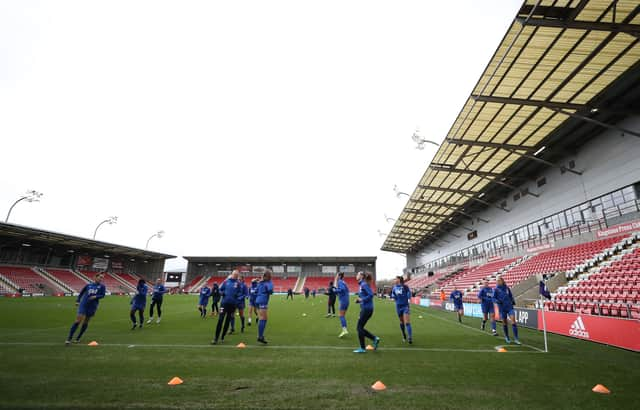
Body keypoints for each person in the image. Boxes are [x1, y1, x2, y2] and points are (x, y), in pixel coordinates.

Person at [65, 273, 106, 345]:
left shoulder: (102, 286)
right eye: (100, 277)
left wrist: (96, 297)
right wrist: (78, 300)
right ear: (95, 277)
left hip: (93, 306)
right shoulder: (88, 285)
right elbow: (81, 293)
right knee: (78, 320)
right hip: (84, 304)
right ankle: (69, 338)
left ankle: (78, 338)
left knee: (86, 321)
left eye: (102, 278)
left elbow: (102, 295)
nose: (101, 279)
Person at [212, 271, 242, 344]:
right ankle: (216, 338)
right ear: (232, 274)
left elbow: (240, 292)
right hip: (224, 304)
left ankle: (222, 336)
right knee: (220, 320)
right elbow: (220, 289)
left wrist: (237, 295)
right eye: (234, 274)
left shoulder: (238, 283)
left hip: (232, 305)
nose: (235, 276)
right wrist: (222, 293)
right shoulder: (226, 282)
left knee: (228, 320)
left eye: (237, 275)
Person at [353, 271, 380, 353]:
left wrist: (361, 299)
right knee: (360, 328)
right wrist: (359, 301)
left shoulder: (363, 284)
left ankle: (363, 348)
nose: (356, 275)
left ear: (361, 276)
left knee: (359, 328)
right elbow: (365, 296)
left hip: (367, 309)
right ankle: (374, 339)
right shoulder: (362, 284)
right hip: (365, 309)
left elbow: (371, 294)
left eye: (357, 274)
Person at [494, 276, 521, 345]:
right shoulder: (496, 289)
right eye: (497, 281)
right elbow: (493, 298)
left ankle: (516, 338)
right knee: (504, 323)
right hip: (502, 309)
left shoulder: (507, 288)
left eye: (499, 280)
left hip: (509, 307)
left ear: (502, 281)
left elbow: (511, 296)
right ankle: (507, 337)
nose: (497, 282)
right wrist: (497, 301)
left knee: (513, 322)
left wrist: (513, 301)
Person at [391, 276, 413, 344]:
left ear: (399, 279)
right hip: (398, 307)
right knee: (401, 322)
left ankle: (410, 337)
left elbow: (409, 292)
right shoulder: (394, 287)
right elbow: (393, 294)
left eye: (395, 279)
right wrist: (393, 297)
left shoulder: (404, 286)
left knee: (407, 322)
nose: (394, 280)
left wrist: (409, 299)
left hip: (405, 306)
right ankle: (404, 335)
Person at [256, 270, 274, 344]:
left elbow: (256, 290)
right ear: (269, 276)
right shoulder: (268, 282)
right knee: (263, 319)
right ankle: (260, 336)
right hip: (263, 300)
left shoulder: (260, 282)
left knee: (263, 318)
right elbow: (270, 291)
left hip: (258, 300)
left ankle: (261, 336)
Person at [334, 272, 350, 338]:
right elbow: (346, 290)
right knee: (342, 315)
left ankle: (344, 329)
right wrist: (337, 290)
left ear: (339, 276)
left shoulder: (340, 281)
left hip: (343, 301)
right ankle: (344, 329)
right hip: (346, 300)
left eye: (337, 275)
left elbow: (342, 289)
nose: (336, 276)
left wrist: (335, 290)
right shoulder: (343, 282)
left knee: (341, 316)